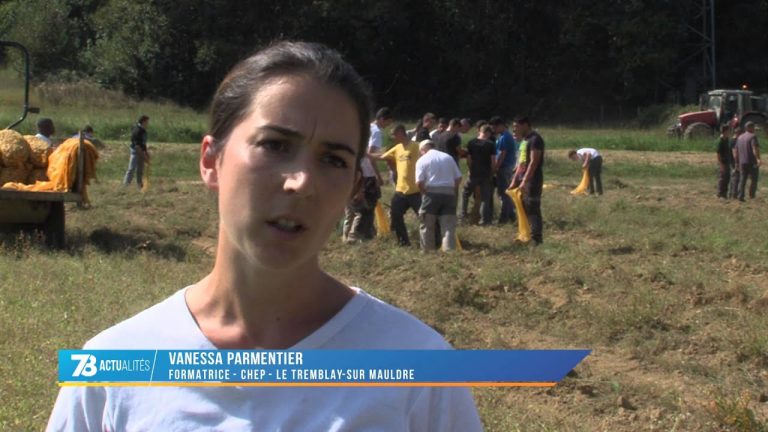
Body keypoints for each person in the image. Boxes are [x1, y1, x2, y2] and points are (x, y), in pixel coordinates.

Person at [47, 41, 482, 431]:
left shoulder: (419, 369)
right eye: (274, 145)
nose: (301, 183)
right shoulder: (113, 371)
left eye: (333, 160)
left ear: (353, 187)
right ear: (211, 160)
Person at [342, 107, 390, 242]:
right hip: (367, 174)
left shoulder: (363, 128)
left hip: (353, 170)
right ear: (382, 119)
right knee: (366, 207)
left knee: (351, 206)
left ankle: (348, 236)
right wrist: (378, 174)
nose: (387, 126)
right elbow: (370, 156)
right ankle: (358, 235)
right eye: (387, 122)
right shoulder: (377, 132)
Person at [416, 139, 462, 251]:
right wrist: (452, 190)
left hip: (431, 193)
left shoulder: (422, 159)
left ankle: (428, 251)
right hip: (449, 194)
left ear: (422, 149)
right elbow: (458, 177)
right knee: (448, 226)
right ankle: (449, 251)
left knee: (427, 224)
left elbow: (419, 182)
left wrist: (424, 193)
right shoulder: (448, 157)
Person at [379, 124, 422, 246]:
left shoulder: (415, 146)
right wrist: (365, 154)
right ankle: (403, 242)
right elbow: (383, 157)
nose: (393, 137)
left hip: (415, 190)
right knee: (395, 214)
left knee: (424, 217)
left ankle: (434, 241)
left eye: (394, 134)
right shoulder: (397, 148)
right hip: (401, 190)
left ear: (401, 133)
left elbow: (426, 156)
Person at [511, 115, 545, 245]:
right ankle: (525, 235)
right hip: (522, 178)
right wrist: (515, 180)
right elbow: (521, 162)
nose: (515, 129)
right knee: (523, 207)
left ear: (525, 125)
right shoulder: (525, 140)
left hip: (533, 180)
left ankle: (536, 239)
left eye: (516, 126)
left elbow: (533, 162)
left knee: (532, 207)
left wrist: (525, 181)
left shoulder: (535, 139)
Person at [461, 124, 496, 225]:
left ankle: (463, 216)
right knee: (485, 198)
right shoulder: (490, 144)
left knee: (465, 194)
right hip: (485, 174)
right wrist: (492, 173)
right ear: (488, 133)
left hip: (474, 173)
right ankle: (484, 220)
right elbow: (493, 161)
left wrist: (470, 169)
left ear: (480, 131)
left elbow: (468, 160)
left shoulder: (471, 143)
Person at [490, 116, 517, 224]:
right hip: (506, 166)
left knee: (503, 193)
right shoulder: (504, 136)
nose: (494, 130)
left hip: (504, 167)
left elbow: (502, 154)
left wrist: (495, 168)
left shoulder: (504, 137)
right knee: (504, 192)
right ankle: (511, 216)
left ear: (500, 125)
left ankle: (504, 218)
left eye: (495, 128)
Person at [734, 121, 762, 201]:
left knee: (742, 179)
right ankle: (752, 195)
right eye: (753, 127)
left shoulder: (739, 137)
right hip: (751, 162)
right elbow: (754, 148)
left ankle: (740, 196)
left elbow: (736, 151)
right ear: (750, 128)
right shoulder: (753, 136)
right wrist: (758, 159)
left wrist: (736, 162)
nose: (754, 129)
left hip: (742, 162)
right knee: (754, 179)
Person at [122, 115, 150, 189]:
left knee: (140, 170)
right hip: (135, 152)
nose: (148, 123)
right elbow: (137, 146)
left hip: (141, 151)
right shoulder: (137, 130)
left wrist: (146, 153)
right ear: (143, 121)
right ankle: (125, 185)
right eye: (147, 122)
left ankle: (139, 185)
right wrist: (144, 157)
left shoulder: (144, 130)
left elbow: (143, 143)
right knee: (131, 168)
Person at [715, 125, 732, 199]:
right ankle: (720, 194)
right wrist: (721, 164)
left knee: (727, 178)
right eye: (728, 130)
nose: (729, 132)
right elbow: (718, 154)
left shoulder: (727, 139)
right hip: (723, 162)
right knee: (722, 178)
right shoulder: (720, 141)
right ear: (725, 131)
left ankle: (724, 194)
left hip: (728, 161)